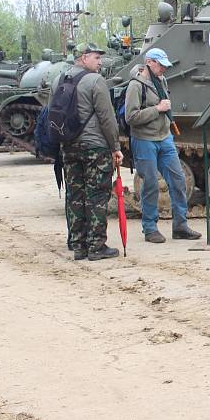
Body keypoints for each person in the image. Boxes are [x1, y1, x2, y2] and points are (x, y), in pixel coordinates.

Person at [50, 42, 123, 261]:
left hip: (69, 145)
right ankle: (96, 246)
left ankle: (78, 245)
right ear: (83, 58)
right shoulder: (95, 81)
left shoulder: (58, 79)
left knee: (75, 194)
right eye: (96, 58)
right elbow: (106, 118)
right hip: (95, 147)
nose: (100, 62)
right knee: (97, 195)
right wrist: (115, 147)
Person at [125, 48, 201, 242]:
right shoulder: (135, 86)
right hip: (144, 140)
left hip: (164, 138)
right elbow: (131, 117)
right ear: (149, 62)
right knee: (150, 184)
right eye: (161, 65)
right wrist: (157, 109)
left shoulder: (161, 80)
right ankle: (150, 228)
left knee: (178, 180)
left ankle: (180, 226)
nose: (164, 69)